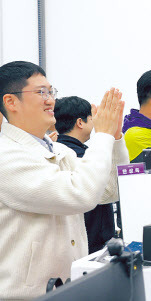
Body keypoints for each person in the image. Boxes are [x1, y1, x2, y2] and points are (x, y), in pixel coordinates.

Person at [0, 61, 129, 300]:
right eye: (41, 92)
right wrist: (101, 136)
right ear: (11, 102)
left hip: (66, 289)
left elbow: (110, 190)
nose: (51, 100)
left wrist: (115, 136)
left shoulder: (60, 150)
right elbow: (80, 193)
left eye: (51, 92)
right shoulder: (6, 156)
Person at [54, 96, 115, 254]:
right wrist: (107, 135)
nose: (95, 122)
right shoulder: (83, 156)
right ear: (80, 122)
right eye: (91, 118)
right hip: (93, 242)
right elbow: (109, 191)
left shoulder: (55, 151)